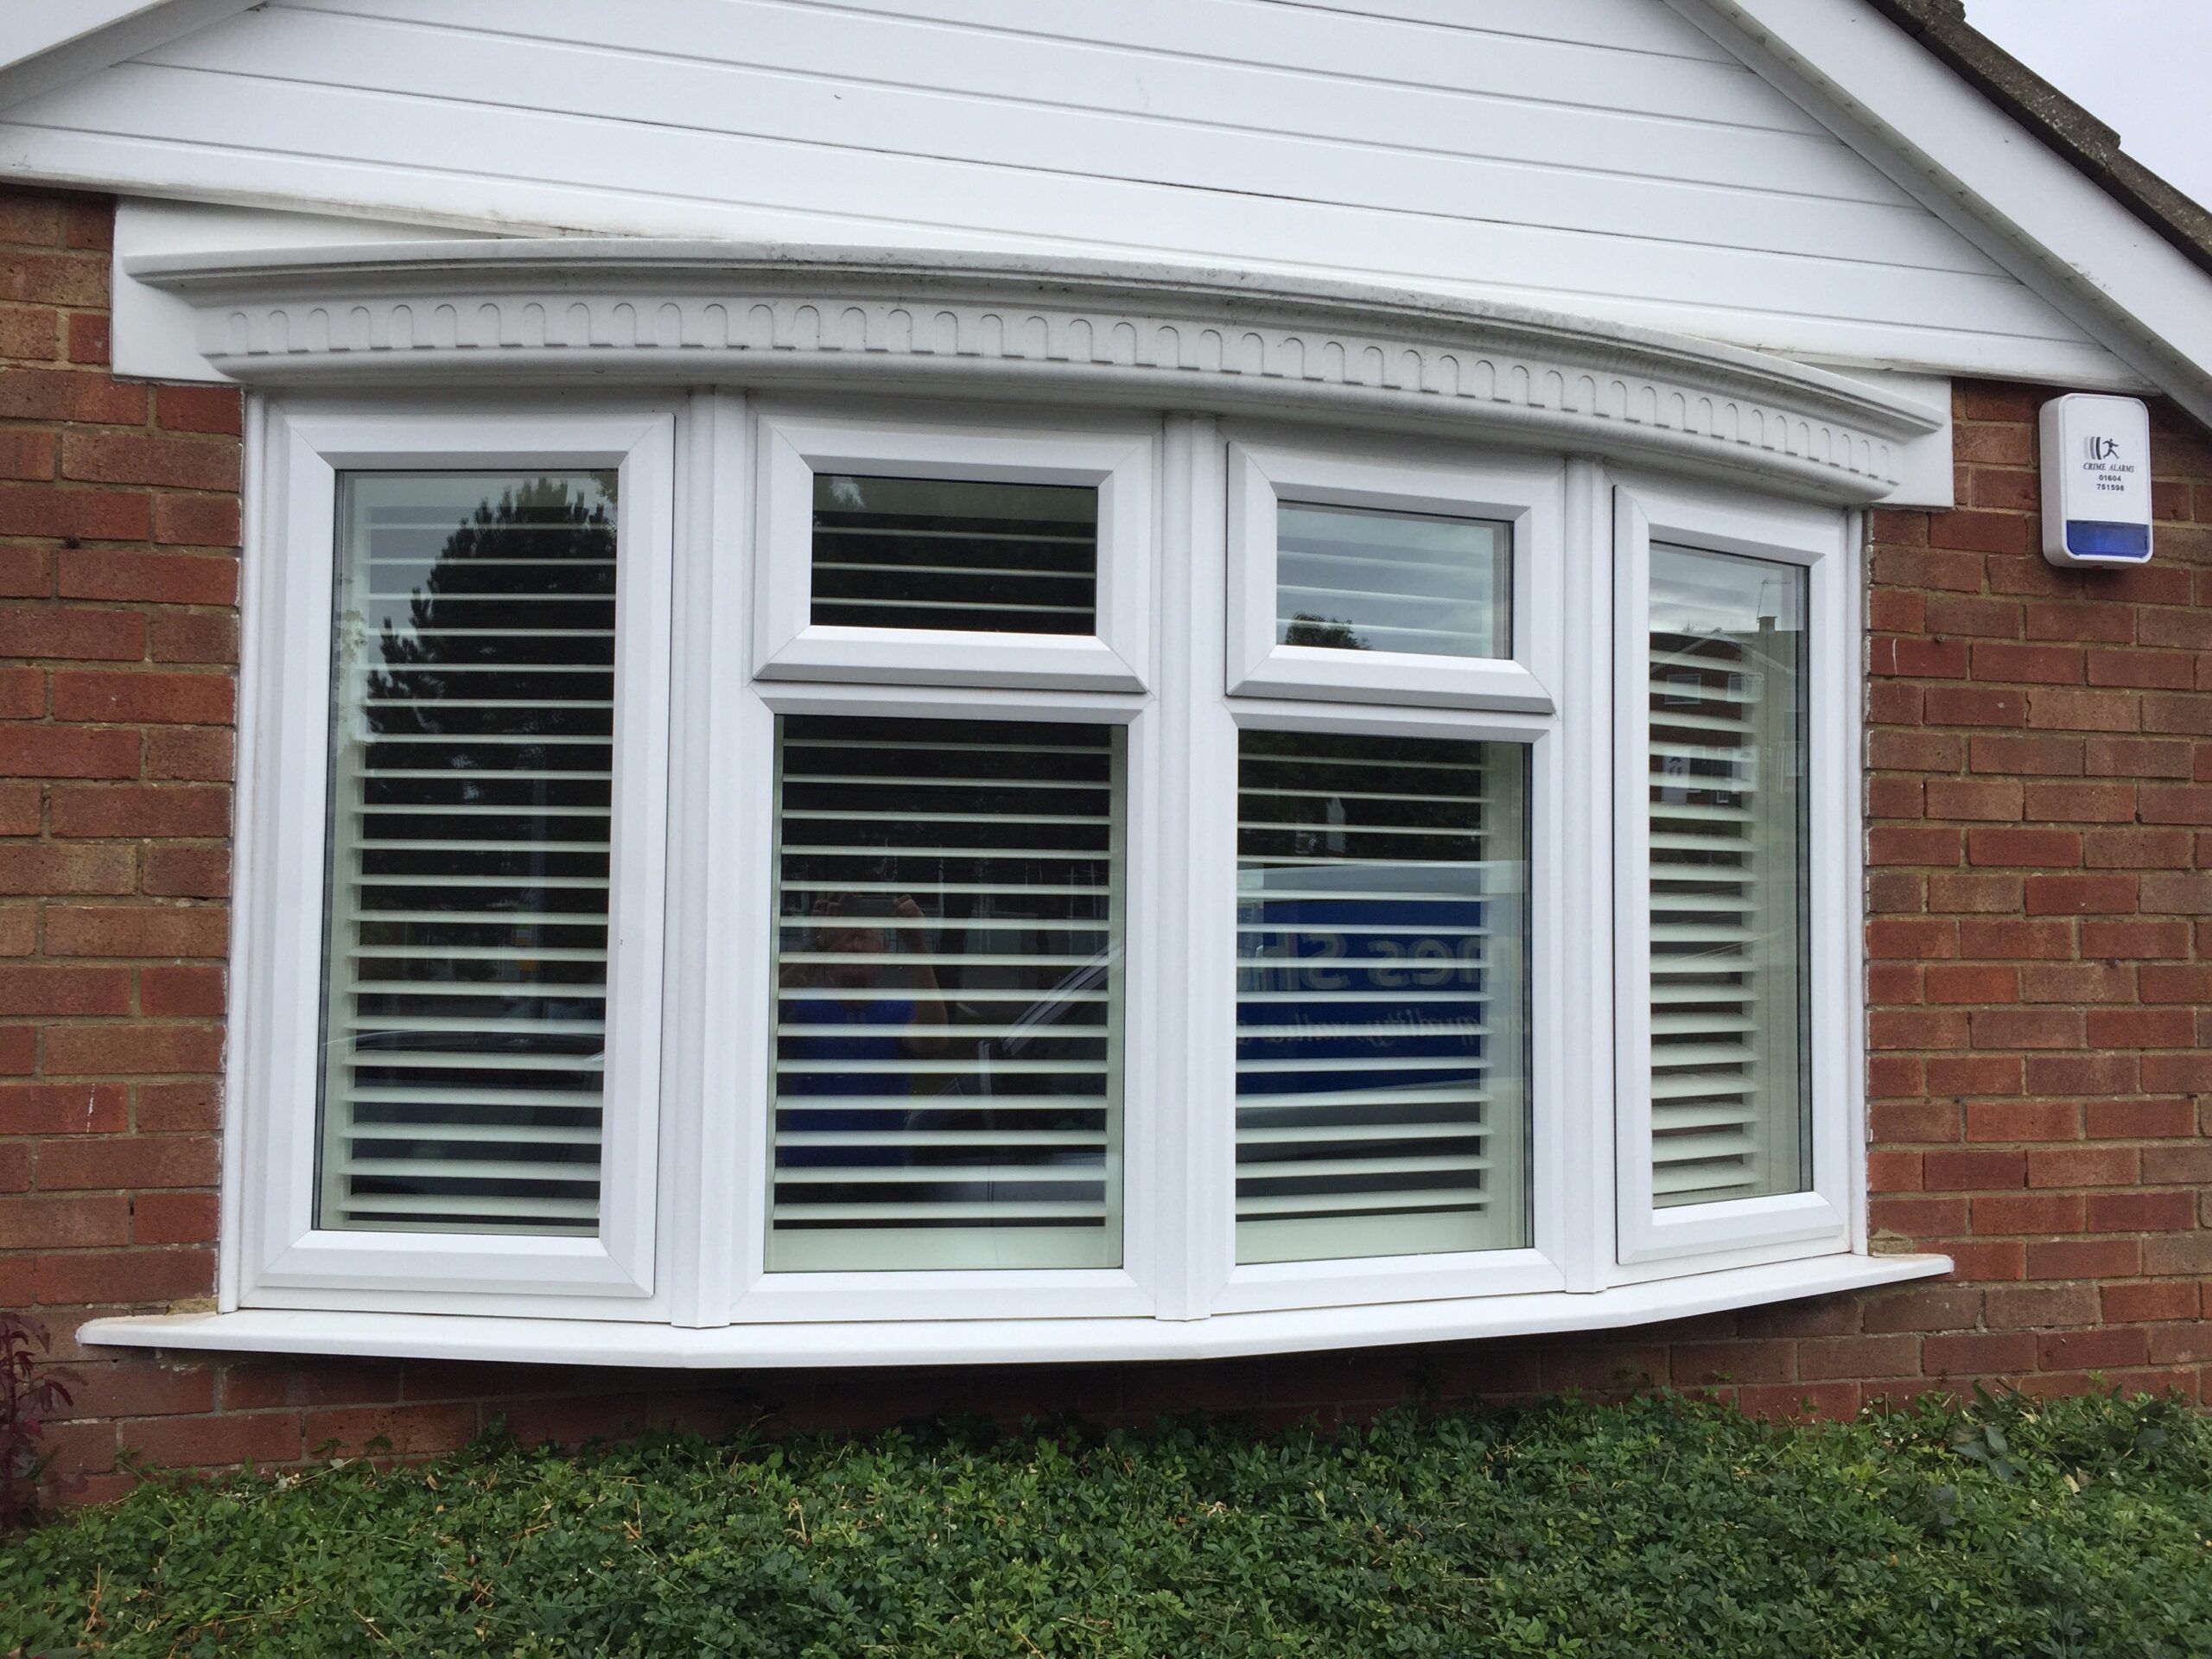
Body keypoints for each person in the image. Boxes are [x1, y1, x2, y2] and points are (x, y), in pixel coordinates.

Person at [777, 893, 948, 1166]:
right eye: (844, 938)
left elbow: (933, 1041)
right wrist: (816, 946)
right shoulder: (804, 1006)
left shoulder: (898, 1011)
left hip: (878, 1177)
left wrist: (917, 945)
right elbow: (762, 1023)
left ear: (883, 953)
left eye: (862, 937)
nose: (852, 947)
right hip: (806, 1175)